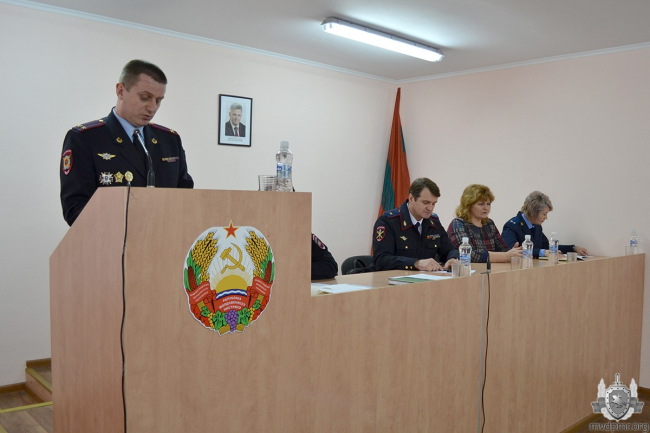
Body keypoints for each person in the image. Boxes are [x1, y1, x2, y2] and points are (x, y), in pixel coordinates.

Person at [60, 59, 194, 226]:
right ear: (121, 91)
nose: (152, 107)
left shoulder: (169, 140)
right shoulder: (86, 138)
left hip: (164, 237)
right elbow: (75, 208)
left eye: (158, 100)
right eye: (145, 98)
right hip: (109, 239)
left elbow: (186, 198)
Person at [372, 178, 459, 271]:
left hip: (425, 278)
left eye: (433, 203)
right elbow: (381, 260)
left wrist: (452, 259)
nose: (430, 208)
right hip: (391, 278)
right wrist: (415, 263)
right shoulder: (388, 221)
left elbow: (450, 249)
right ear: (411, 198)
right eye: (425, 203)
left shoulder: (433, 222)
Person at [447, 184, 522, 263]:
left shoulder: (489, 224)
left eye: (488, 204)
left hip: (491, 269)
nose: (486, 208)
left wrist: (513, 252)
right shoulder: (458, 224)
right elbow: (468, 255)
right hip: (469, 269)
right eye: (481, 204)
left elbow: (502, 249)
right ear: (468, 205)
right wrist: (506, 256)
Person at [502, 191, 589, 257]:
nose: (546, 218)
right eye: (544, 214)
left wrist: (573, 248)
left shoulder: (537, 227)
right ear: (533, 212)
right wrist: (543, 253)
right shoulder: (512, 226)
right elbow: (511, 252)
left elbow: (548, 247)